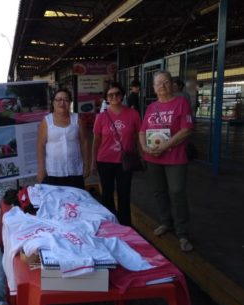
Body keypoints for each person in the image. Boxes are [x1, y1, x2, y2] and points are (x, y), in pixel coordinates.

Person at [139, 70, 194, 252]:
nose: (162, 86)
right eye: (158, 83)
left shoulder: (181, 103)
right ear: (153, 88)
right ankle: (165, 222)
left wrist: (165, 146)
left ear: (172, 84)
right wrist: (144, 148)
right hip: (153, 157)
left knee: (177, 191)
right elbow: (142, 131)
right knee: (159, 191)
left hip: (175, 157)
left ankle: (183, 232)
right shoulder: (151, 107)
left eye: (165, 82)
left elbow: (186, 129)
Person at [91, 82, 141, 226]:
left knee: (124, 194)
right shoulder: (101, 117)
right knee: (107, 194)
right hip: (105, 160)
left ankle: (126, 226)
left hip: (124, 162)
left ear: (122, 95)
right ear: (106, 97)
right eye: (110, 94)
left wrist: (142, 155)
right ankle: (110, 224)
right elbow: (96, 140)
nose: (114, 97)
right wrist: (93, 161)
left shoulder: (133, 114)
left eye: (117, 94)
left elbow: (138, 136)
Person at [37, 88, 89, 189]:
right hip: (53, 170)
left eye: (65, 100)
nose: (62, 102)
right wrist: (41, 169)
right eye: (58, 100)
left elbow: (84, 142)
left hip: (74, 170)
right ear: (53, 103)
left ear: (70, 102)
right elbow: (40, 145)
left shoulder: (78, 119)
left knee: (76, 201)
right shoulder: (46, 121)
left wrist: (86, 165)